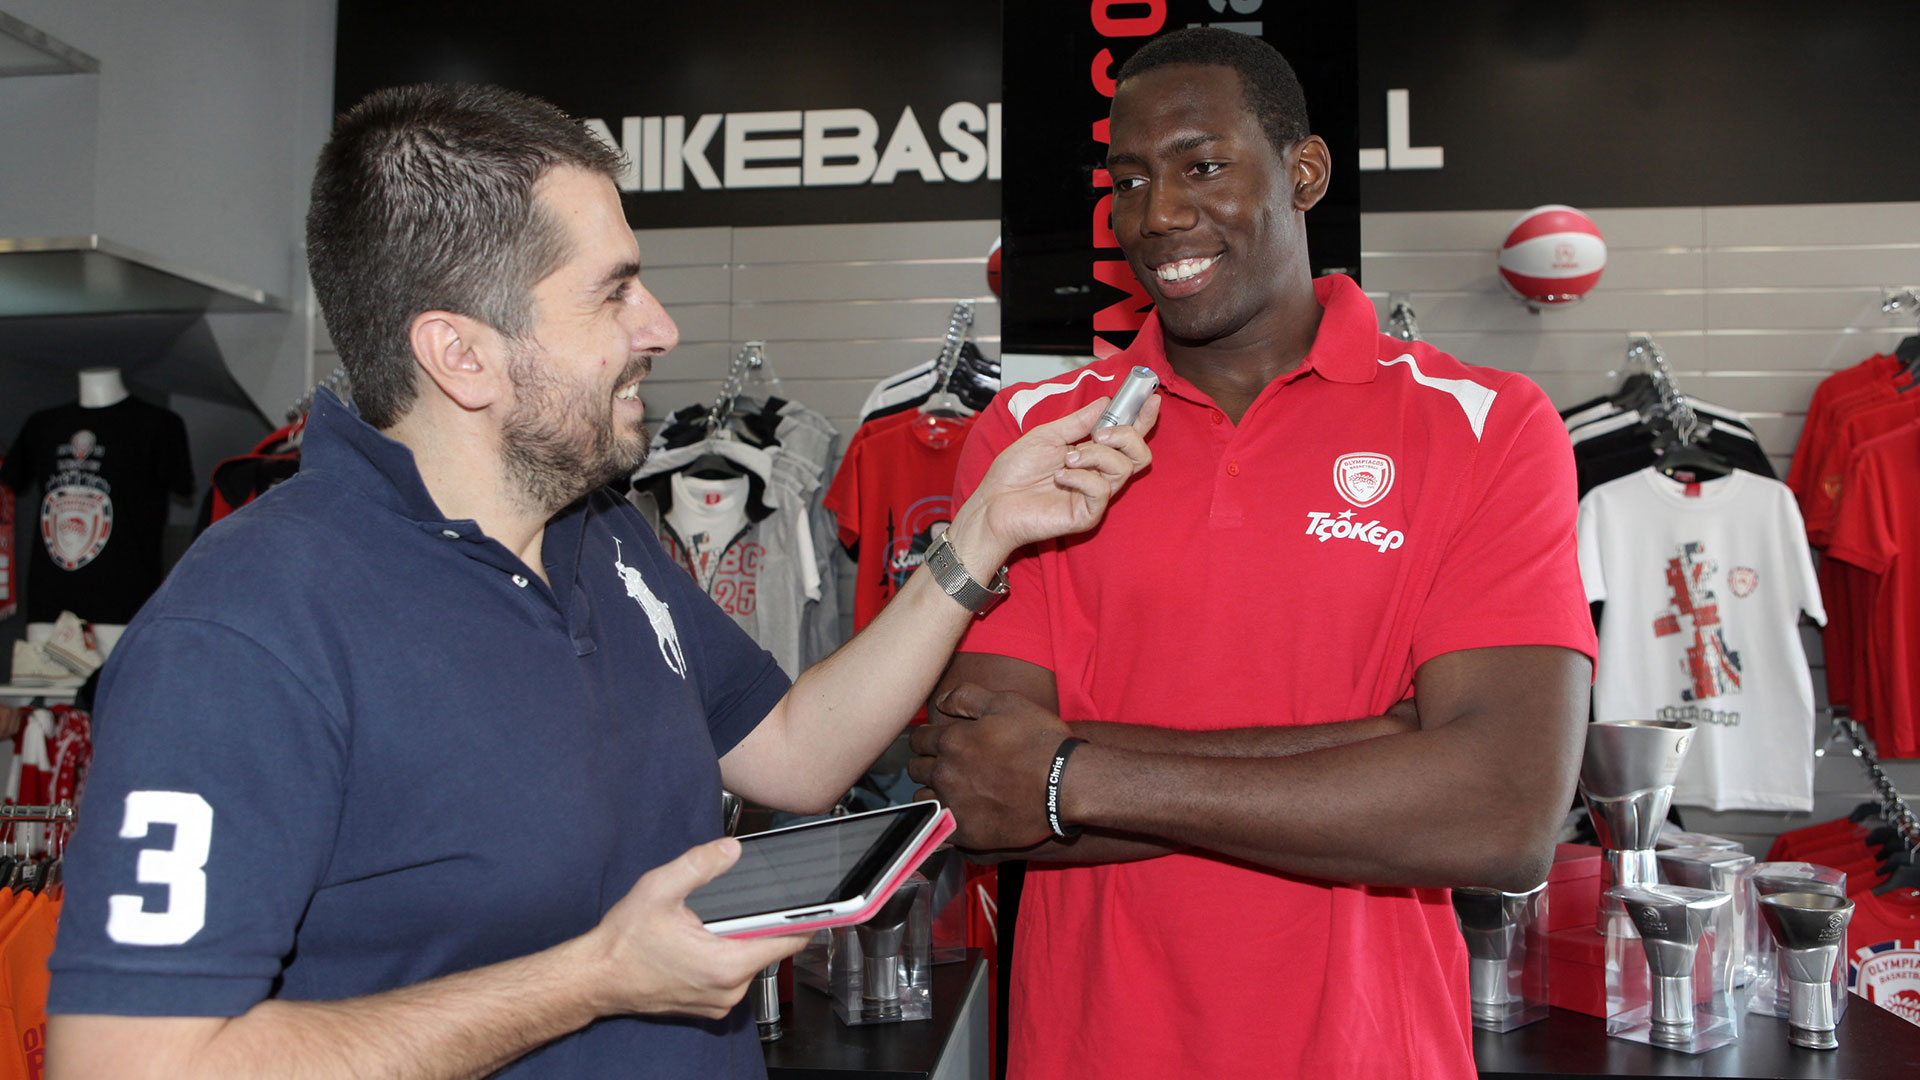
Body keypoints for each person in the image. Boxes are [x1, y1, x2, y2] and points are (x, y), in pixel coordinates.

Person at [44, 83, 1156, 1080]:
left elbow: (796, 753)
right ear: (461, 354)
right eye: (613, 293)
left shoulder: (600, 530)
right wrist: (593, 979)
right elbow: (126, 1063)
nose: (660, 327)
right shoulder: (243, 630)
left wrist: (980, 537)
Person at [908, 29, 1597, 1080]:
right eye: (1128, 181)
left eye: (1201, 166)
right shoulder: (1034, 436)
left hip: (1375, 1054)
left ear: (1304, 173)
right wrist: (1382, 749)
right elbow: (986, 792)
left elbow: (1502, 812)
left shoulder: (1487, 424)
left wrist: (1071, 772)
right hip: (1093, 1053)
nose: (1157, 215)